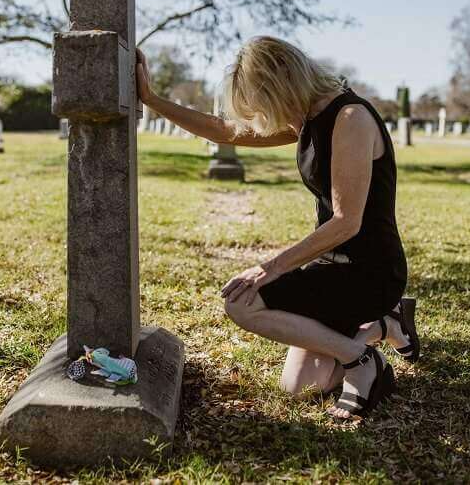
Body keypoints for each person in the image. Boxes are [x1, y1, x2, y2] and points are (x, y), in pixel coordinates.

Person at [134, 36, 420, 419]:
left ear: (283, 85)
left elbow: (346, 221)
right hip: (332, 269)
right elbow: (225, 132)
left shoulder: (350, 118)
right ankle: (384, 325)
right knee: (301, 386)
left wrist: (270, 267)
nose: (264, 118)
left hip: (371, 273)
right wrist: (152, 100)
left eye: (262, 105)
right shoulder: (304, 117)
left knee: (242, 302)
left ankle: (362, 359)